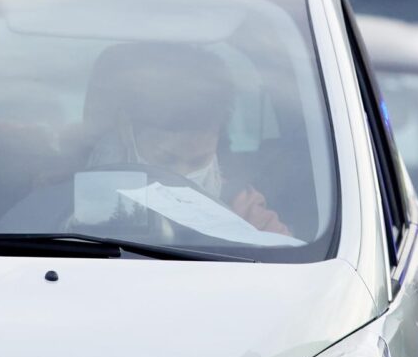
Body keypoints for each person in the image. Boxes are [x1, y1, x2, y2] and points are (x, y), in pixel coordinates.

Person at [84, 42, 291, 237]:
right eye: (166, 160)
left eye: (198, 161)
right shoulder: (71, 195)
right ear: (126, 129)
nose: (181, 177)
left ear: (218, 138)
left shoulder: (243, 211)